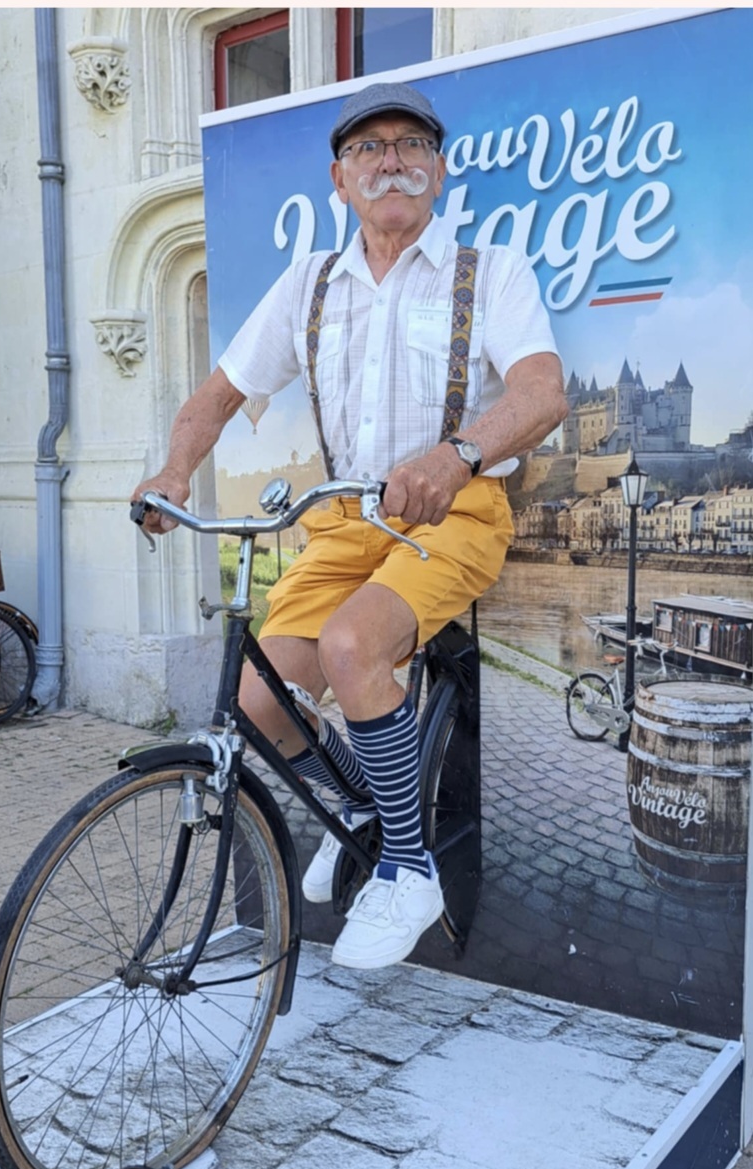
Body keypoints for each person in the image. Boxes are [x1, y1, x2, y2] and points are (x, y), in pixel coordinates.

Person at [132, 81, 568, 972]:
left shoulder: (490, 272)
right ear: (340, 178)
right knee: (259, 703)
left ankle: (409, 870)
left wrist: (456, 457)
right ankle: (371, 798)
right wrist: (173, 470)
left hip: (456, 511)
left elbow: (542, 394)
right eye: (369, 148)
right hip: (342, 519)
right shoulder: (311, 283)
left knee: (349, 647)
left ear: (438, 170)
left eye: (411, 145)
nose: (391, 162)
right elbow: (217, 397)